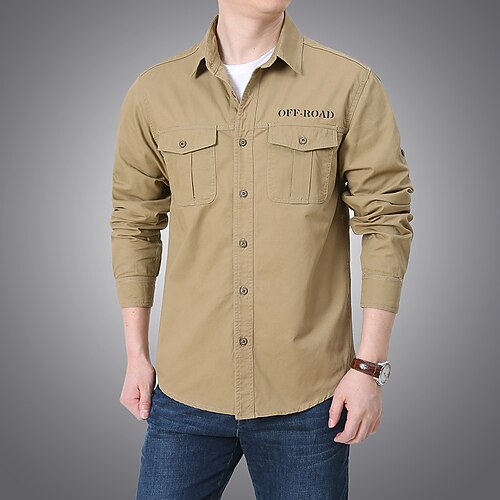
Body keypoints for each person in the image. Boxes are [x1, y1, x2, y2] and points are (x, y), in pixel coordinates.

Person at [110, 1, 414, 498]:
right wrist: (135, 355)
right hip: (185, 393)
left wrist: (368, 368)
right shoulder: (154, 92)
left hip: (310, 401)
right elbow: (134, 223)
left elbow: (386, 221)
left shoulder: (349, 85)